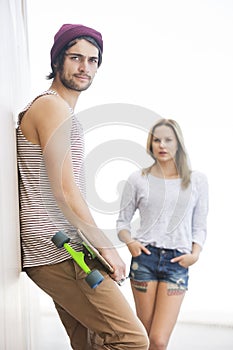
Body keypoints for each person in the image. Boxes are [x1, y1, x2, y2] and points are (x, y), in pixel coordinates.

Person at [17, 23, 149, 350]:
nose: (84, 67)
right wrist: (106, 247)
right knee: (131, 340)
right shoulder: (51, 106)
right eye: (76, 57)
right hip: (58, 247)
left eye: (93, 61)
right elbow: (65, 191)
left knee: (89, 344)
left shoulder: (61, 112)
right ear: (58, 60)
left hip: (63, 246)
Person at [116, 118, 209, 350]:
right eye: (157, 140)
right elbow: (122, 223)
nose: (162, 145)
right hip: (144, 260)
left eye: (168, 140)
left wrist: (194, 255)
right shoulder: (138, 179)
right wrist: (131, 243)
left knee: (158, 340)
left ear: (178, 144)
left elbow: (200, 225)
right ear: (150, 144)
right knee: (143, 338)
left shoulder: (196, 181)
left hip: (177, 263)